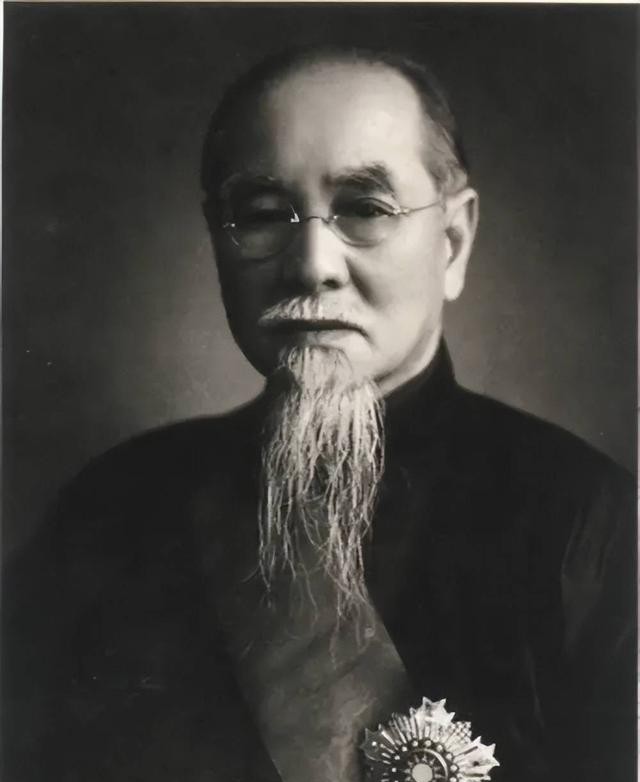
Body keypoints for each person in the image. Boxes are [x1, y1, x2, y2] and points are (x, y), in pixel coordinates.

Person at [3, 46, 635, 782]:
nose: (311, 264)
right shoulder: (111, 510)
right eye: (261, 214)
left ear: (453, 242)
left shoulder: (589, 525)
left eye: (365, 209)